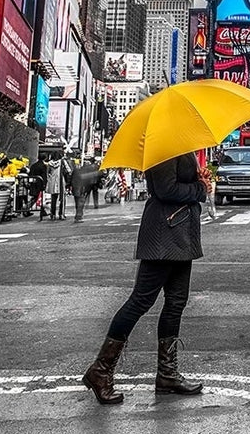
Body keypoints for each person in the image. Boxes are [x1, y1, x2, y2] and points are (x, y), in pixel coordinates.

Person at [82, 152, 210, 405]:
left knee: (176, 303)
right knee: (140, 301)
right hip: (164, 235)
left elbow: (180, 184)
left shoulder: (181, 145)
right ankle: (101, 370)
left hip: (181, 235)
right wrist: (199, 187)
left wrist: (198, 178)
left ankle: (167, 374)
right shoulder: (164, 147)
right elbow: (165, 189)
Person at [45, 150, 71, 220]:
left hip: (52, 183)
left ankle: (52, 214)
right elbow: (69, 171)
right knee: (62, 199)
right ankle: (61, 214)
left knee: (53, 199)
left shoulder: (49, 163)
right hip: (61, 181)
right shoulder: (62, 162)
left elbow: (47, 173)